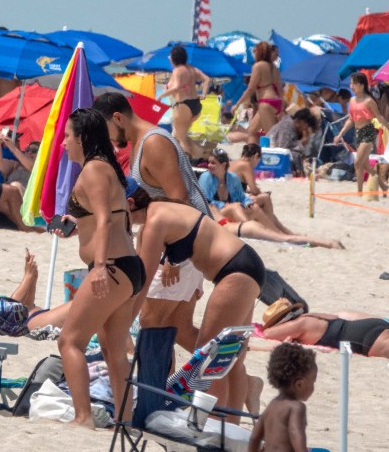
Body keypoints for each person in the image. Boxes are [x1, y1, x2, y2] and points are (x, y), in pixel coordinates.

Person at [129, 185, 266, 418]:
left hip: (234, 272)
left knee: (210, 359)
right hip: (245, 264)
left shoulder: (154, 221)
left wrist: (123, 321)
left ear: (130, 204)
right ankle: (229, 428)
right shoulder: (164, 209)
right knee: (228, 358)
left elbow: (143, 280)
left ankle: (212, 424)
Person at [49, 108, 144, 428]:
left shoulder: (92, 170)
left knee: (69, 341)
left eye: (67, 136)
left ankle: (83, 417)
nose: (63, 143)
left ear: (82, 138)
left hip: (113, 267)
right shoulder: (105, 169)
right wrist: (77, 225)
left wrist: (100, 266)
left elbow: (105, 219)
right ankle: (124, 420)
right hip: (128, 267)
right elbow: (115, 218)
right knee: (112, 348)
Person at [94, 92, 210, 352]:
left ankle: (156, 391)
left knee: (150, 322)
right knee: (179, 328)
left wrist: (173, 257)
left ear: (118, 118)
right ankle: (237, 378)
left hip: (183, 243)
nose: (110, 139)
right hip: (185, 239)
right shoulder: (140, 143)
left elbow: (179, 198)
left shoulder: (153, 142)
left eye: (108, 131)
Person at [199, 148, 343, 249]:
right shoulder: (207, 178)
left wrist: (247, 201)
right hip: (230, 215)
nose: (209, 166)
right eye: (209, 163)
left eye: (213, 163)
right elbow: (206, 201)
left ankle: (277, 230)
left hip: (235, 218)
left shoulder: (232, 178)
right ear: (256, 157)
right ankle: (278, 233)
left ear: (224, 165)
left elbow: (241, 196)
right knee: (248, 205)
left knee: (258, 204)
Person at [261, 302, 389, 365]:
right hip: (371, 326)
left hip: (367, 338)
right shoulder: (312, 315)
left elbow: (267, 334)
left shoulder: (299, 324)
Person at [248, 343, 317, 452]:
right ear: (299, 384)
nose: (313, 387)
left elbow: (254, 438)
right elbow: (295, 434)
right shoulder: (296, 407)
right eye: (313, 382)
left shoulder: (272, 405)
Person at [334, 73, 386, 194]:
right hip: (358, 132)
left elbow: (379, 117)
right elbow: (350, 120)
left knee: (358, 162)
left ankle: (359, 191)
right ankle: (382, 185)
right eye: (350, 83)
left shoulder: (369, 101)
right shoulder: (352, 100)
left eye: (354, 83)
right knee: (365, 165)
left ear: (361, 85)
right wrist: (340, 135)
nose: (351, 86)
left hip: (368, 131)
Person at [164, 44, 211, 158]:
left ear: (174, 58)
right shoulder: (192, 69)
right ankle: (202, 153)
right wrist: (203, 94)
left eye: (170, 57)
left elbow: (176, 88)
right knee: (177, 136)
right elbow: (207, 79)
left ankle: (189, 162)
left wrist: (161, 96)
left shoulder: (177, 70)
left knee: (181, 139)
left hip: (182, 106)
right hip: (195, 105)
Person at [235, 41, 285, 145]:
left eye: (255, 51)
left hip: (265, 103)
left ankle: (273, 159)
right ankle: (253, 157)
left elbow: (251, 88)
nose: (254, 53)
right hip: (276, 101)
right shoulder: (274, 68)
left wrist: (237, 104)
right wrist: (282, 108)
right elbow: (280, 90)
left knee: (271, 137)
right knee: (252, 131)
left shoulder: (258, 66)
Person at [267, 108, 319, 175]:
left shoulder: (295, 129)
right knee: (294, 155)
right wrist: (302, 142)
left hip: (278, 155)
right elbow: (283, 148)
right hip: (271, 156)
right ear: (300, 121)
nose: (306, 129)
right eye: (307, 125)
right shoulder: (285, 127)